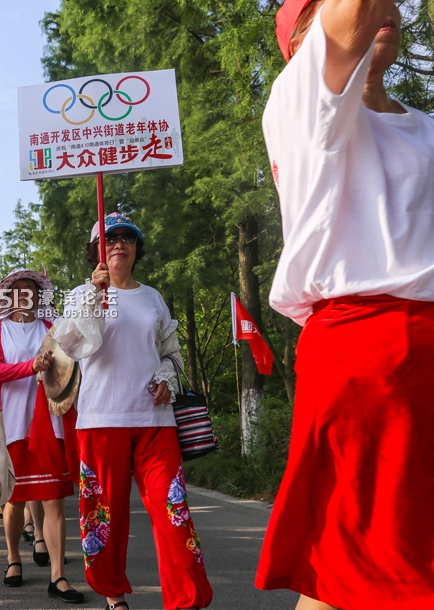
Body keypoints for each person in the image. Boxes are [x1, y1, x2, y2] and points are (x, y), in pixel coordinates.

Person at [255, 2, 434, 609]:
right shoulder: (301, 99)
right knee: (351, 572)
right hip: (367, 355)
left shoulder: (425, 128)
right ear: (301, 44)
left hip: (423, 356)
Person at [54, 213, 213, 610]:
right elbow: (70, 346)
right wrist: (94, 296)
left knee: (174, 514)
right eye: (110, 239)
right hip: (101, 420)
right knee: (105, 517)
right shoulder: (80, 294)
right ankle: (114, 595)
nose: (119, 244)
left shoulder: (152, 297)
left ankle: (186, 600)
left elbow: (171, 353)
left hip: (155, 422)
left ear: (137, 248)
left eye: (127, 238)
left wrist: (167, 375)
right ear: (96, 250)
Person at [0, 269, 85, 604]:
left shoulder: (51, 328)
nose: (24, 295)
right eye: (18, 290)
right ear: (6, 297)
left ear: (39, 297)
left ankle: (58, 575)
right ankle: (13, 558)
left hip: (50, 423)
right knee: (14, 500)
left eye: (31, 289)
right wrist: (31, 366)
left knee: (53, 499)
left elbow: (74, 365)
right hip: (11, 425)